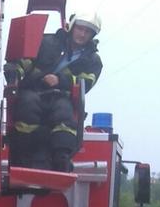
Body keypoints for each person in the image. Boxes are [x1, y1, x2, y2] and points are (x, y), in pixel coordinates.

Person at [10, 11, 103, 172]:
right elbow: (25, 61)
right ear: (72, 27)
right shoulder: (46, 42)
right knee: (27, 105)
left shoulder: (93, 61)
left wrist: (60, 80)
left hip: (62, 95)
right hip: (34, 89)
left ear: (92, 35)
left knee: (64, 113)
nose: (82, 34)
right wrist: (14, 74)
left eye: (87, 32)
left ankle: (61, 160)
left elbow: (86, 83)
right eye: (80, 29)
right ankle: (22, 158)